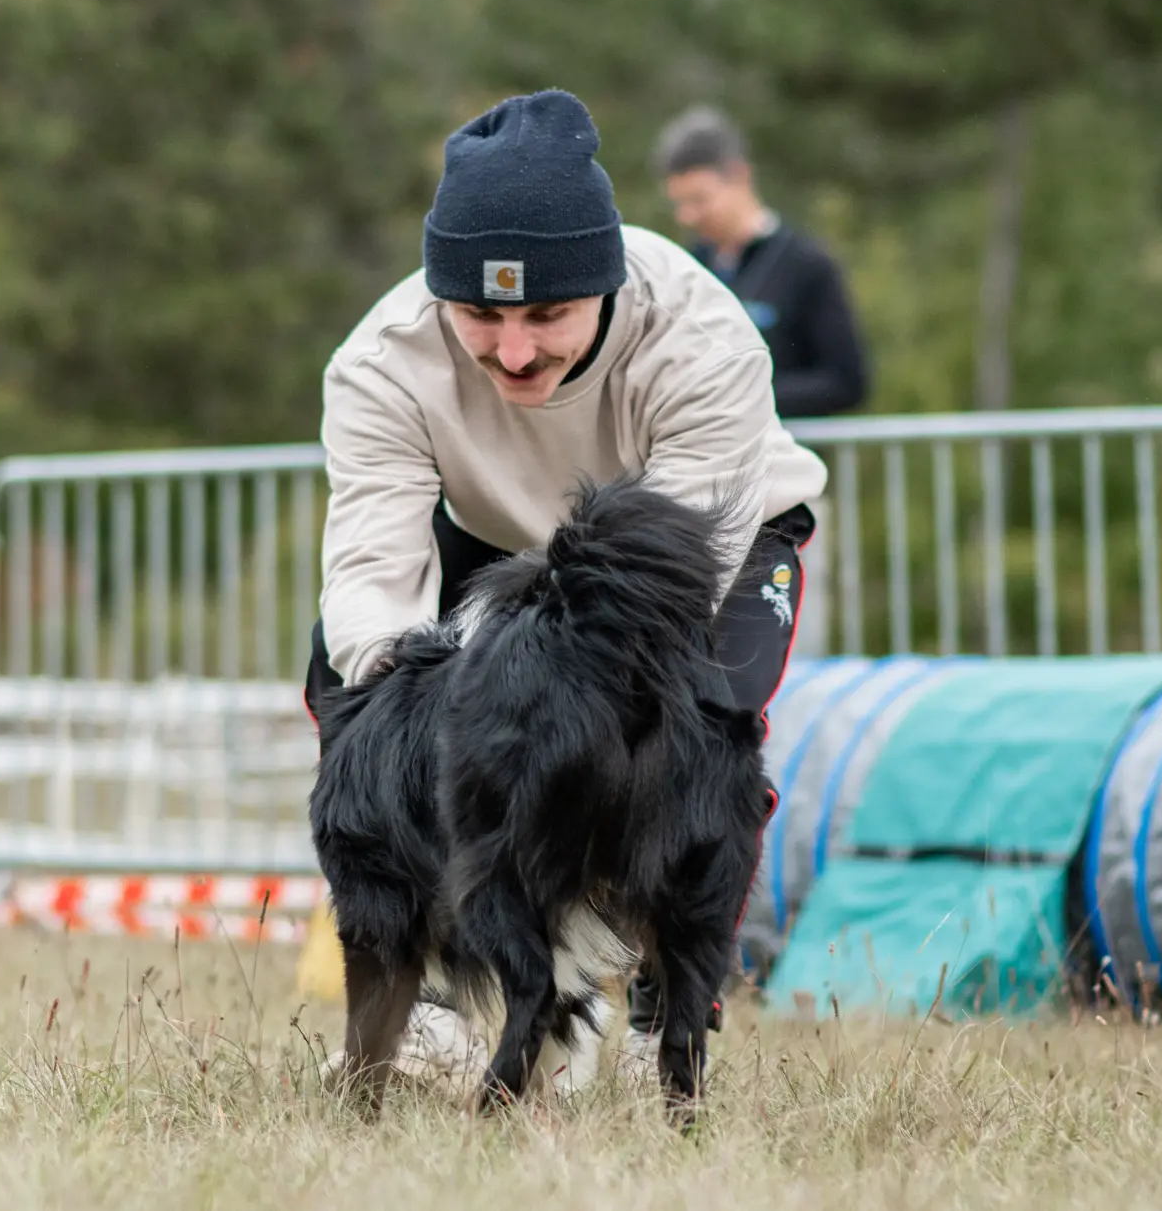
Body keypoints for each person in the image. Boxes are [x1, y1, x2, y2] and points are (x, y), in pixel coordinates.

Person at [307, 89, 827, 1080]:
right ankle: (413, 1004)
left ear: (606, 285)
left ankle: (659, 1012)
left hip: (687, 557)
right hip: (486, 534)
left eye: (545, 313)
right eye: (477, 314)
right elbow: (373, 575)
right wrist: (414, 710)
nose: (510, 350)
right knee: (358, 702)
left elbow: (650, 604)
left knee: (695, 725)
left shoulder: (702, 341)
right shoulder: (378, 365)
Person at [652, 106, 869, 420]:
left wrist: (742, 395)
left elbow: (846, 382)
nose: (688, 216)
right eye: (680, 204)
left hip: (783, 461)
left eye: (699, 200)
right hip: (703, 462)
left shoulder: (807, 264)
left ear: (740, 176)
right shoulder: (687, 265)